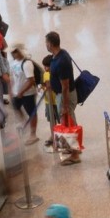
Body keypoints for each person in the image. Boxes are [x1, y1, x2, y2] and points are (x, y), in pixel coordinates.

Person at [44, 31, 82, 164]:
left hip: (65, 96)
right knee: (68, 123)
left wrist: (65, 106)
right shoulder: (59, 54)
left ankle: (75, 155)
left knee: (69, 124)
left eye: (46, 43)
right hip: (62, 95)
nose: (46, 45)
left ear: (50, 44)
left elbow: (65, 86)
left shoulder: (61, 61)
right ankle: (72, 149)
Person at [8, 43, 40, 144]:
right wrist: (11, 91)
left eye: (14, 52)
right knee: (16, 107)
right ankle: (23, 123)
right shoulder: (13, 63)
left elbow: (31, 80)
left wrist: (22, 91)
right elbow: (12, 77)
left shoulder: (27, 64)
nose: (12, 54)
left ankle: (33, 134)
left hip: (28, 94)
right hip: (16, 92)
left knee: (31, 113)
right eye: (12, 52)